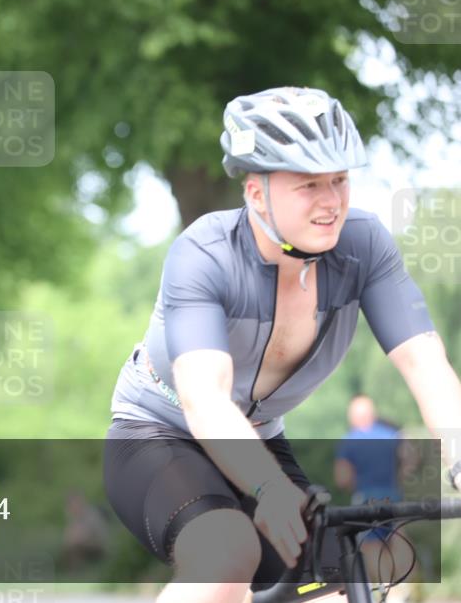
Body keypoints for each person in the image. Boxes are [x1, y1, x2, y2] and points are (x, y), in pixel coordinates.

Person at [102, 86, 461, 603]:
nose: (331, 201)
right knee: (227, 555)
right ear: (255, 193)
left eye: (339, 180)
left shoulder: (365, 246)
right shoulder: (204, 254)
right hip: (160, 434)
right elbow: (205, 399)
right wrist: (269, 489)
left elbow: (424, 361)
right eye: (308, 184)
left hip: (259, 438)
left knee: (335, 587)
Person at [334, 395, 417, 601]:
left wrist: (354, 484)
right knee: (398, 539)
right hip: (393, 495)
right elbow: (411, 458)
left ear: (354, 417)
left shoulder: (350, 440)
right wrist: (401, 475)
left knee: (371, 546)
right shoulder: (390, 434)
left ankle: (386, 591)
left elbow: (342, 478)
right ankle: (405, 588)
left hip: (365, 498)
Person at [59, 490, 110, 571]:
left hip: (98, 547)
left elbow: (86, 536)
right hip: (85, 545)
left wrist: (72, 539)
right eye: (71, 504)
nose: (74, 506)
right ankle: (70, 568)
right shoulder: (74, 517)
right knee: (70, 545)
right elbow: (68, 535)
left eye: (76, 503)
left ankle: (76, 570)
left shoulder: (91, 514)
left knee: (74, 545)